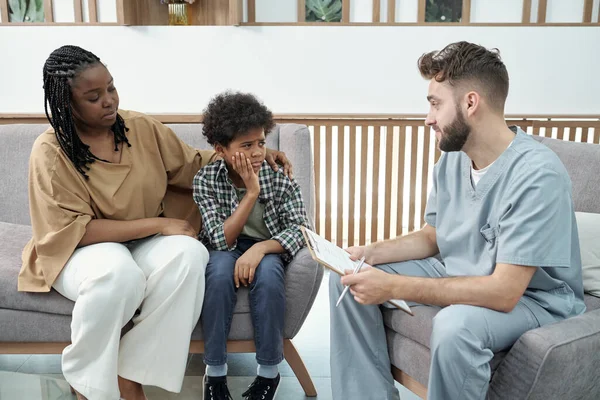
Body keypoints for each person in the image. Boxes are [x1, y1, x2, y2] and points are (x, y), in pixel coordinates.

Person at [18, 45, 293, 400]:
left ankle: (130, 373)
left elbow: (195, 163)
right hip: (82, 249)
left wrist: (251, 154)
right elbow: (75, 231)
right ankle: (88, 381)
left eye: (111, 88)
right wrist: (159, 225)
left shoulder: (139, 128)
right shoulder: (50, 152)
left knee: (191, 255)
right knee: (118, 275)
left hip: (142, 242)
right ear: (66, 104)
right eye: (93, 96)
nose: (109, 101)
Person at [329, 41, 586, 400]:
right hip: (457, 270)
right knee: (345, 277)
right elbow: (432, 236)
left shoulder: (538, 174)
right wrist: (369, 253)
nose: (428, 117)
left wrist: (392, 286)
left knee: (455, 326)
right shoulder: (454, 158)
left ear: (470, 102)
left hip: (534, 299)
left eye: (435, 103)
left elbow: (504, 291)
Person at [193, 91, 311, 400]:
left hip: (267, 245)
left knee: (271, 280)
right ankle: (215, 375)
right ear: (221, 149)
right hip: (225, 248)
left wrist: (259, 250)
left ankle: (268, 375)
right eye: (247, 146)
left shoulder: (279, 176)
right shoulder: (207, 179)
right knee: (217, 277)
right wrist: (250, 193)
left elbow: (301, 229)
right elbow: (220, 239)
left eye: (261, 142)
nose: (258, 152)